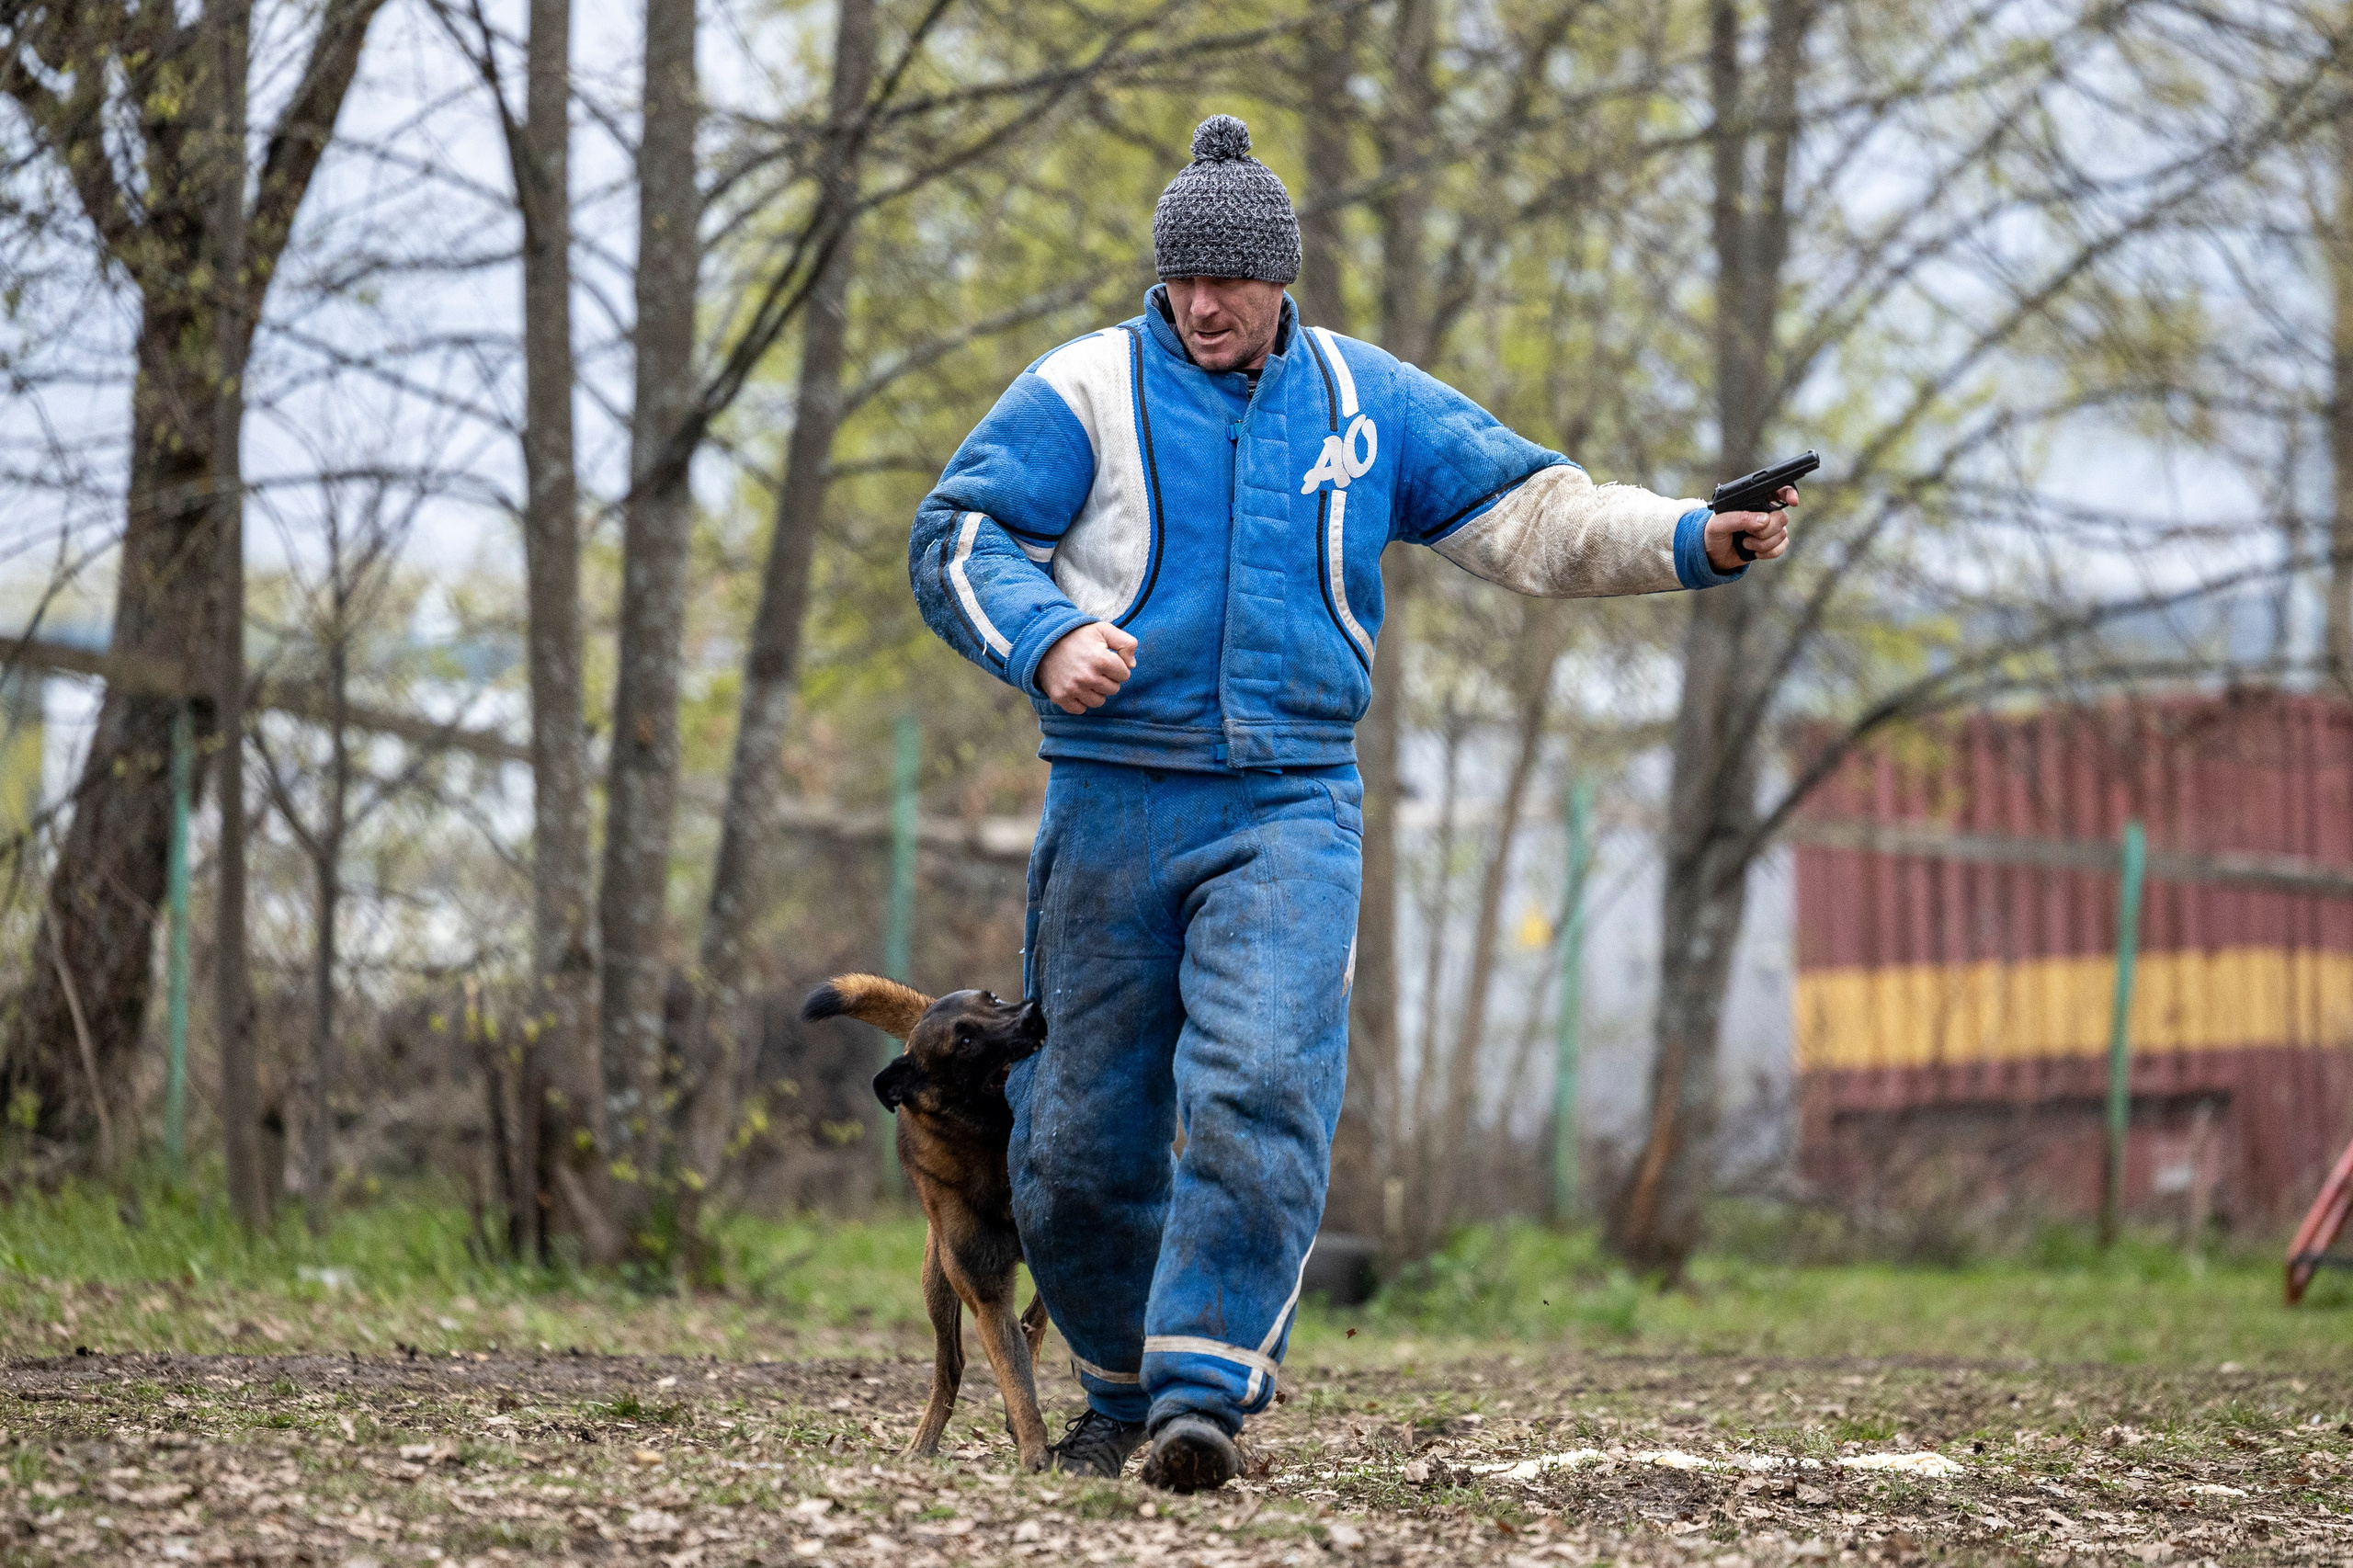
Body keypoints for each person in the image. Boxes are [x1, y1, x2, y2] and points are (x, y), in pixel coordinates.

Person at [909, 114, 1794, 1492]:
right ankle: (1121, 1388)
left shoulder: (1360, 399)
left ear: (1280, 279)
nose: (1204, 305)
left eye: (1231, 282)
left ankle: (1203, 1392)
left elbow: (1534, 512)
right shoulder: (1079, 392)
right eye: (1182, 280)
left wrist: (1691, 535)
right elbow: (954, 534)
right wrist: (1041, 638)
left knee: (1262, 1080)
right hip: (1112, 800)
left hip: (1288, 804)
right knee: (1076, 1135)